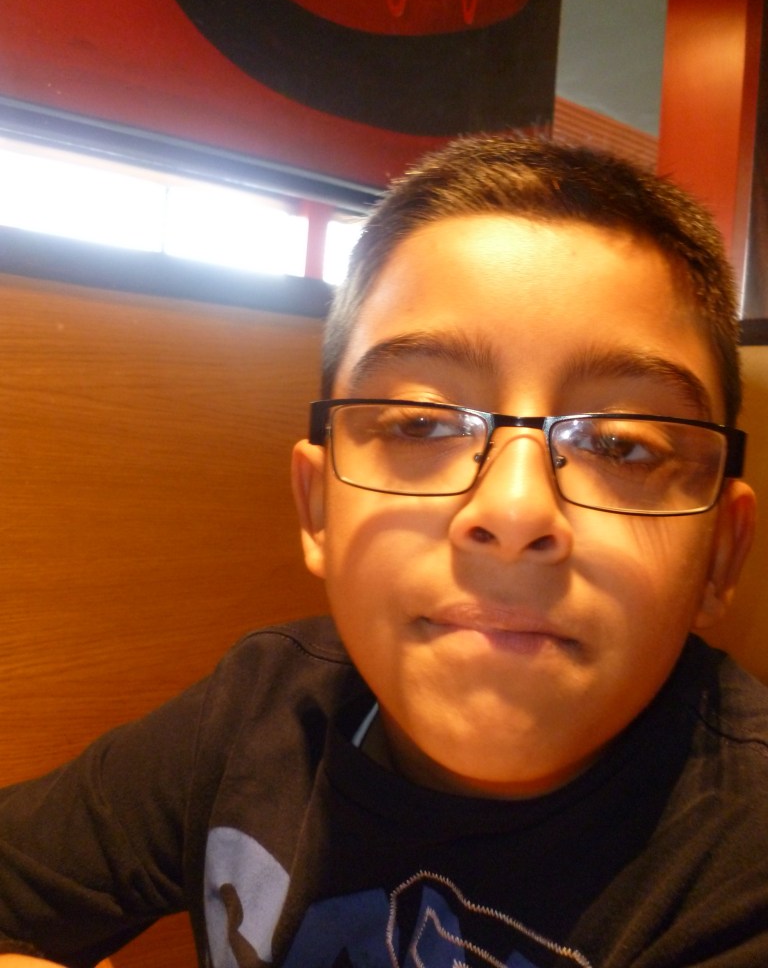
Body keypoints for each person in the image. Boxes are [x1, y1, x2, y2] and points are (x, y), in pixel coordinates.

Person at [0, 135, 766, 968]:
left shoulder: (741, 861)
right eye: (422, 425)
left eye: (622, 445)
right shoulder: (258, 715)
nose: (514, 510)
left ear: (720, 554)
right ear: (318, 507)